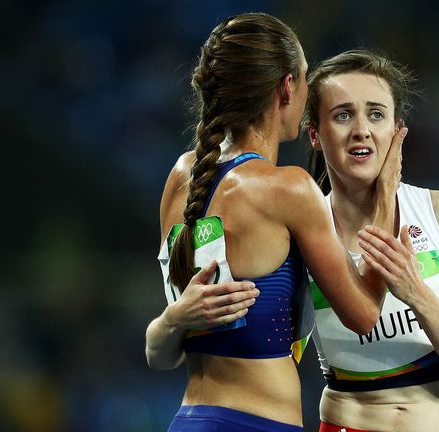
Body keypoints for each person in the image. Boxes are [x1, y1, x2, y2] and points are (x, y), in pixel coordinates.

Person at [144, 15, 407, 432]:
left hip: (190, 418)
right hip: (257, 424)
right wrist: (386, 194)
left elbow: (160, 354)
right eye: (305, 81)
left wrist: (173, 320)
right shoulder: (288, 189)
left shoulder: (181, 177)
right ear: (287, 88)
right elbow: (364, 314)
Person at [302, 49, 439, 432]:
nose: (362, 129)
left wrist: (415, 291)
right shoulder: (302, 231)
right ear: (314, 134)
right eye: (343, 115)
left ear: (396, 130)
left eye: (376, 114)